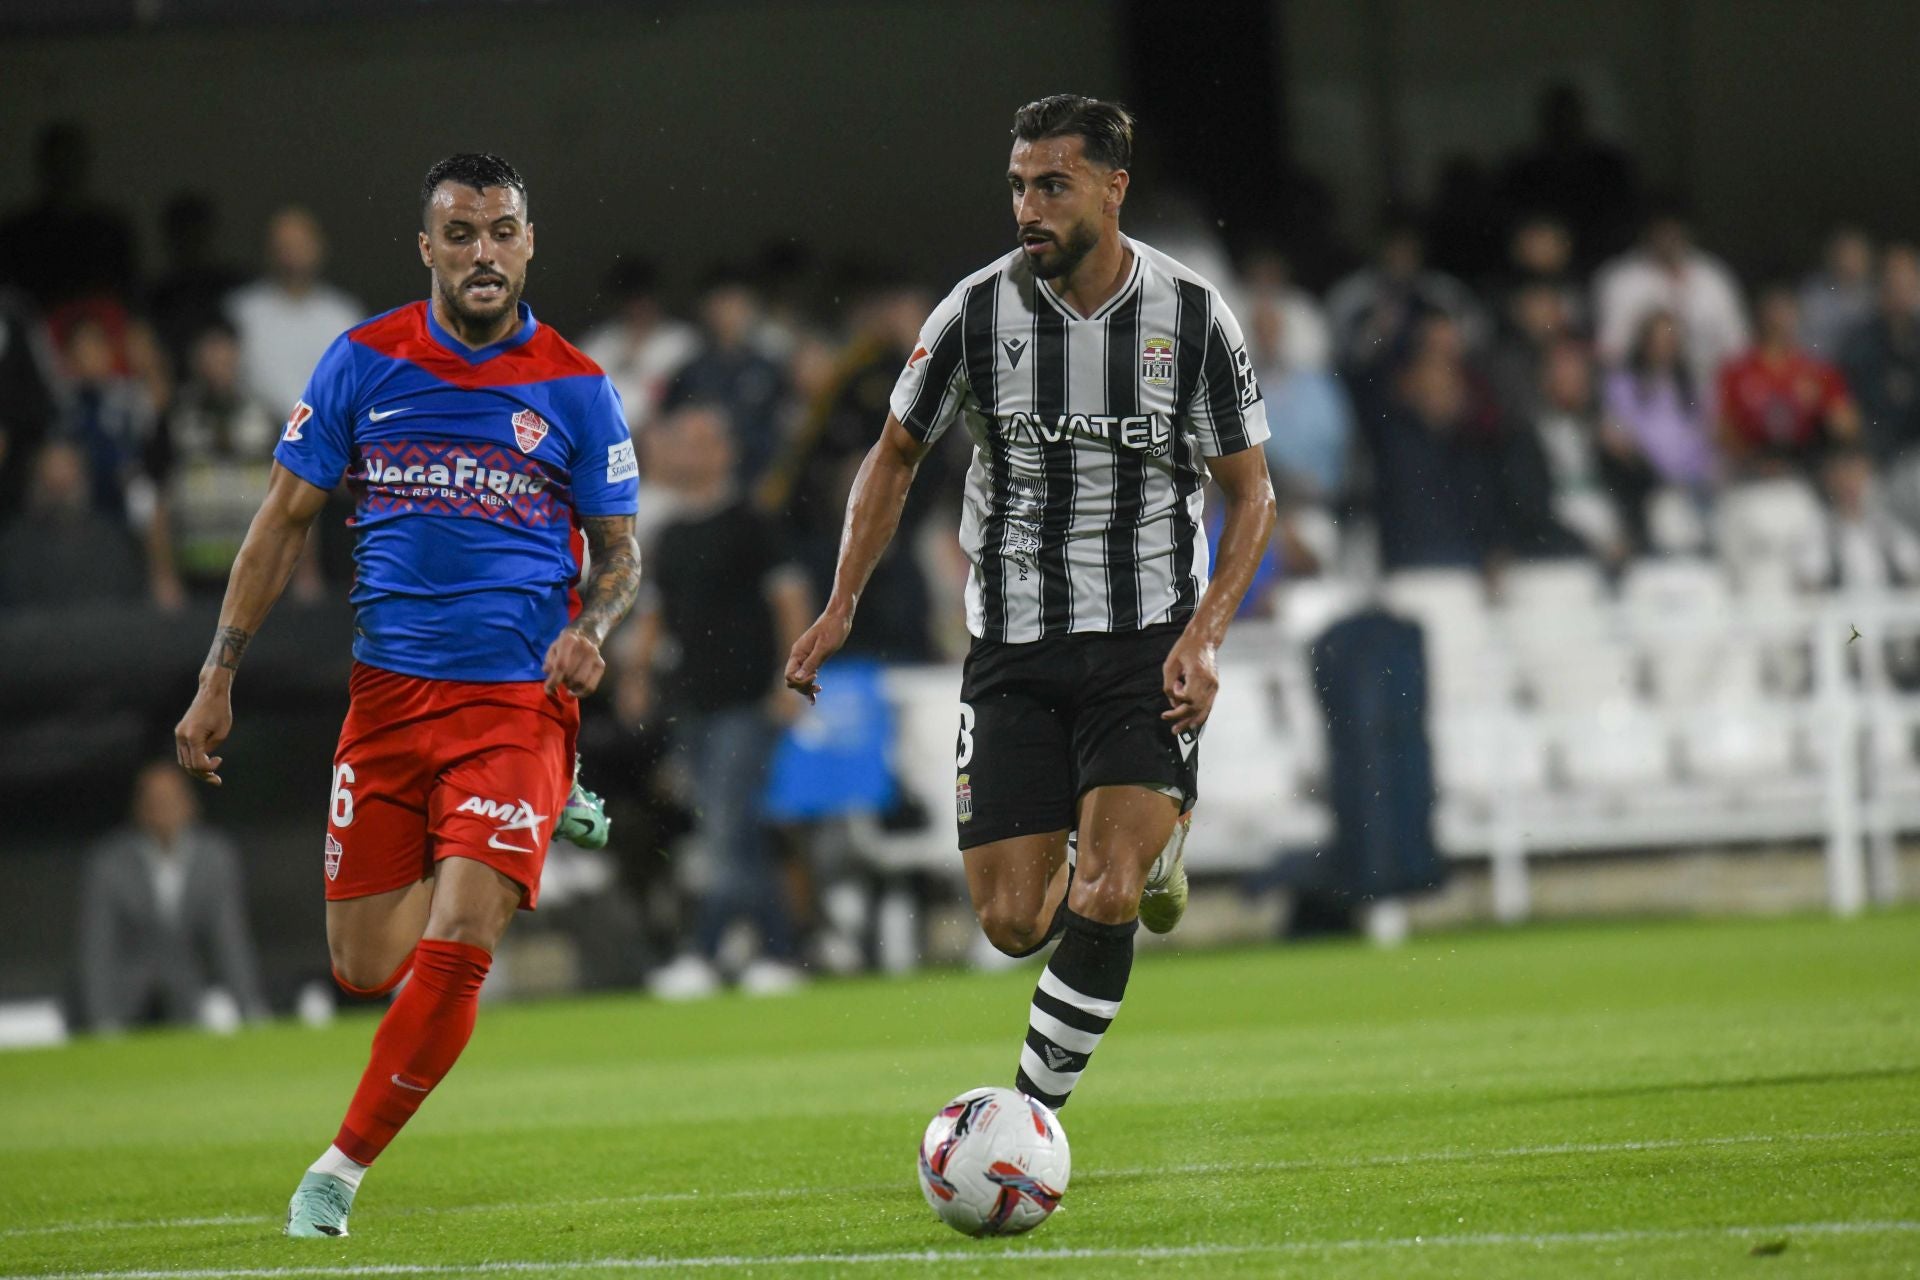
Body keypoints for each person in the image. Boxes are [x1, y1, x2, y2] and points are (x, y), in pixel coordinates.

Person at [172, 154, 638, 1239]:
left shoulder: (574, 382)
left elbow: (619, 556)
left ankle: (335, 1170)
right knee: (365, 962)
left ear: (530, 242)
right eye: (462, 233)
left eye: (503, 231)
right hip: (386, 705)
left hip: (517, 704)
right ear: (426, 247)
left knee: (465, 932)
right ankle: (505, 822)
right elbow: (281, 520)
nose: (485, 252)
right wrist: (216, 673)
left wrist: (592, 629)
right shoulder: (363, 360)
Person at [784, 96, 1276, 1113]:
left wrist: (1208, 632)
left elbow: (1252, 492)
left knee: (1103, 888)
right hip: (1011, 645)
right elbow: (894, 457)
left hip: (1144, 642)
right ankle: (1144, 847)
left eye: (1051, 184)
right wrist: (840, 604)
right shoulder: (973, 314)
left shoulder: (1190, 317)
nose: (1027, 207)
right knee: (1013, 920)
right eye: (1017, 185)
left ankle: (1025, 1120)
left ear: (1112, 186)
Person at [621, 405, 813, 998]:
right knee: (730, 829)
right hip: (693, 702)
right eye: (683, 444)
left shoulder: (754, 523)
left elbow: (790, 601)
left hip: (747, 700)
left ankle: (705, 952)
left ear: (726, 453)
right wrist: (637, 677)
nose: (691, 455)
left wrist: (793, 678)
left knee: (726, 826)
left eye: (704, 443)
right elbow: (654, 612)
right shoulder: (669, 535)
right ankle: (778, 951)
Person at [77, 761, 268, 1035]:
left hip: (187, 1000)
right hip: (126, 1002)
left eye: (171, 799)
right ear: (139, 807)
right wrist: (102, 1021)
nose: (164, 809)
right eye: (155, 801)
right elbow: (98, 948)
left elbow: (230, 940)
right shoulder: (108, 864)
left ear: (190, 803)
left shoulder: (215, 858)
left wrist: (251, 1009)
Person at [1594, 200, 1749, 401]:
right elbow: (1610, 354)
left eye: (1675, 227)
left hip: (1709, 398)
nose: (1669, 235)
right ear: (1648, 230)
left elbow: (1739, 349)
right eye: (1662, 228)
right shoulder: (1621, 280)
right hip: (1644, 397)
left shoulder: (1714, 277)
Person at [227, 207, 364, 418]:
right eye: (283, 246)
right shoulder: (241, 312)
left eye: (300, 245)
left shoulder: (343, 315)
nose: (291, 254)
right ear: (268, 250)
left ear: (319, 248)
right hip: (255, 440)